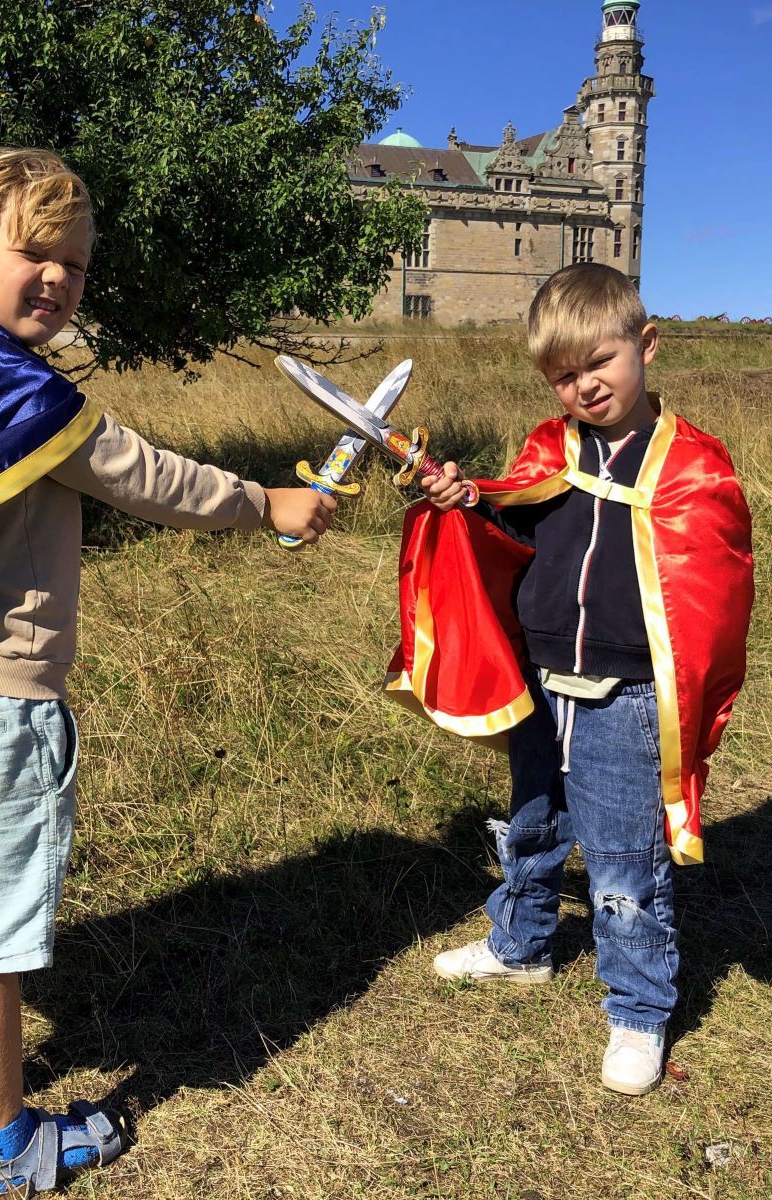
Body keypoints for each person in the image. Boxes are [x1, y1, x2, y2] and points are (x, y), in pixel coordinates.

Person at [0, 148, 337, 1190]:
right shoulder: (19, 397)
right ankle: (5, 1146)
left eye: (76, 264)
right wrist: (268, 504)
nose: (57, 278)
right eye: (34, 255)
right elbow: (147, 476)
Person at [393, 263, 752, 1097]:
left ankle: (638, 1007)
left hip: (625, 693)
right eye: (562, 374)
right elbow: (512, 514)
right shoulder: (551, 446)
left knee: (625, 860)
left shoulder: (694, 463)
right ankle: (520, 946)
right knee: (531, 824)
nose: (584, 386)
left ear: (646, 346)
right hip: (540, 674)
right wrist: (467, 495)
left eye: (600, 362)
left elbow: (713, 584)